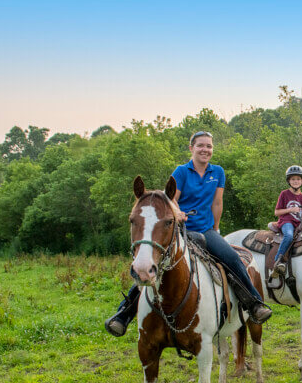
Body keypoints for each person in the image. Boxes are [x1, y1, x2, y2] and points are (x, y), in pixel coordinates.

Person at [105, 131, 272, 337]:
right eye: (201, 145)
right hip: (181, 230)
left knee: (231, 258)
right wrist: (177, 212)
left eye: (209, 146)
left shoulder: (217, 172)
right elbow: (170, 199)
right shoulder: (182, 172)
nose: (205, 149)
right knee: (152, 267)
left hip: (206, 230)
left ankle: (254, 304)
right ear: (191, 148)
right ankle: (123, 315)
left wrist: (216, 229)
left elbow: (217, 203)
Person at [270, 165, 302, 279]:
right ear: (289, 181)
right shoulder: (284, 194)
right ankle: (278, 261)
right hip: (286, 222)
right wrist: (290, 209)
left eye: (298, 179)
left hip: (299, 224)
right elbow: (276, 212)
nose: (296, 181)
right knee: (289, 236)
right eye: (293, 179)